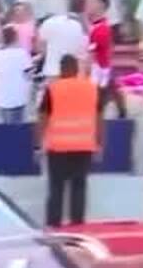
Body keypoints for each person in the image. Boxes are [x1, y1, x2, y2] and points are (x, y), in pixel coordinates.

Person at [36, 54, 101, 227]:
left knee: (56, 188)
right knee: (79, 187)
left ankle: (53, 226)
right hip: (84, 146)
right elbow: (99, 118)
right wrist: (99, 144)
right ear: (76, 69)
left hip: (58, 147)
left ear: (61, 69)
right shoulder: (91, 88)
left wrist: (38, 144)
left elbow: (43, 117)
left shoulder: (53, 89)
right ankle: (77, 226)